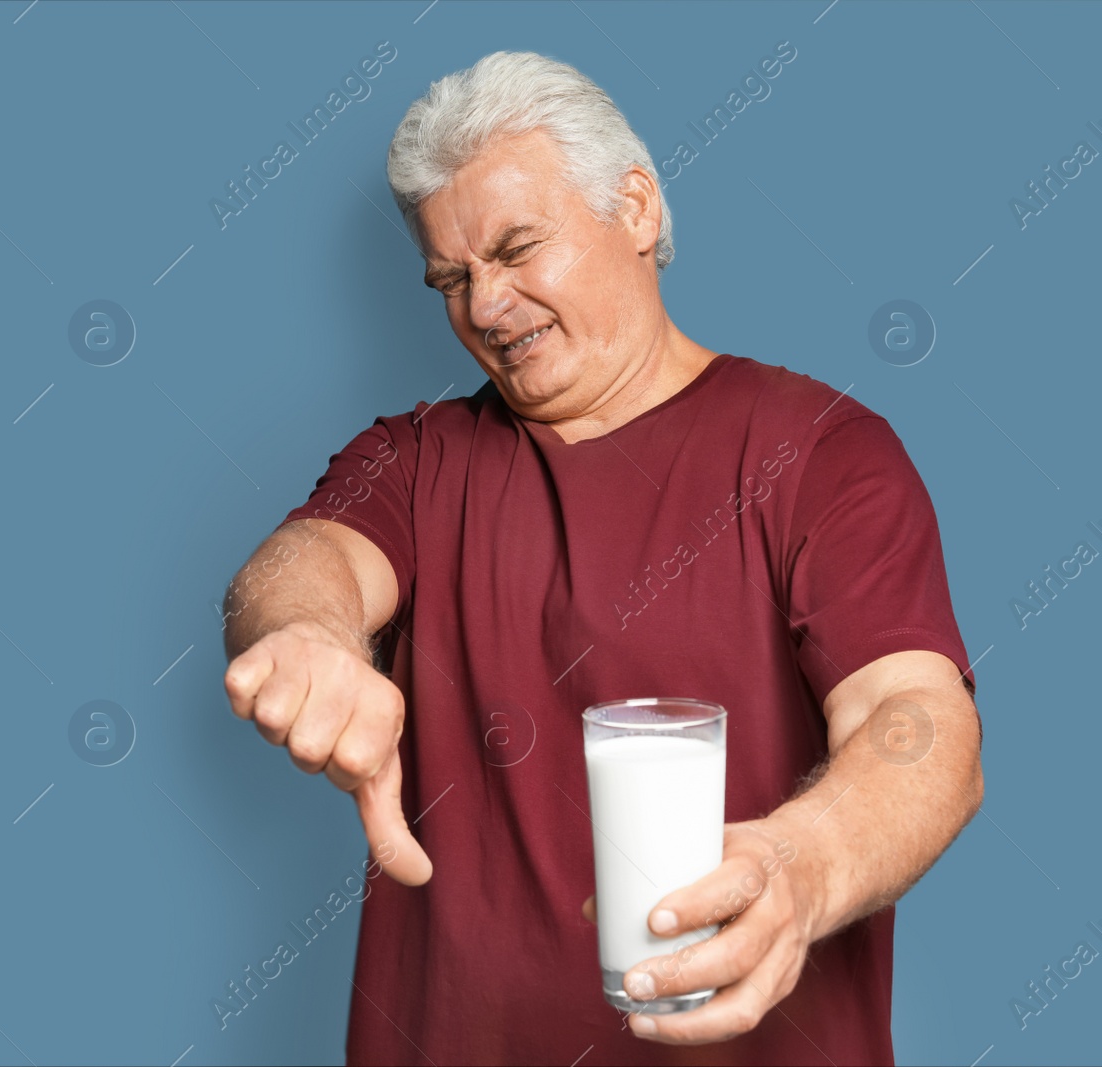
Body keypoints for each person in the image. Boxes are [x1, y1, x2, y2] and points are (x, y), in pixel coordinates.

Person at [220, 51, 983, 1066]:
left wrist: (806, 859)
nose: (486, 308)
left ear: (633, 209)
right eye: (452, 278)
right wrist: (308, 630)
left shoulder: (820, 452)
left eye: (516, 248)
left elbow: (918, 722)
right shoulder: (413, 459)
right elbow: (305, 558)